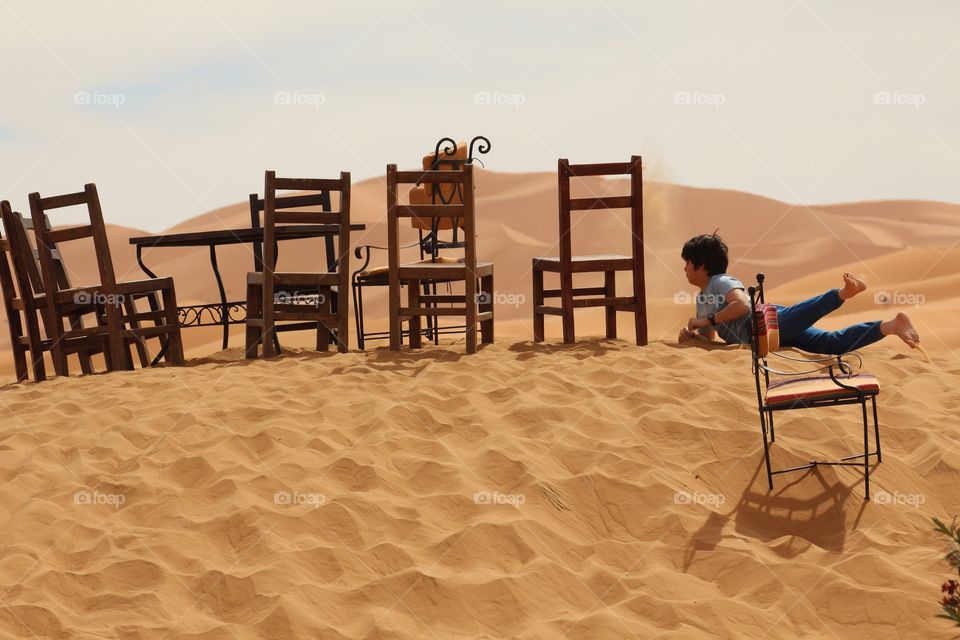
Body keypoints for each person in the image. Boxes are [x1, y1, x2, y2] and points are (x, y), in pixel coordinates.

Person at [676, 233, 920, 354]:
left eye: (687, 263)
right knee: (831, 344)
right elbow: (711, 339)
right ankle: (889, 326)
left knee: (810, 316)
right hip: (766, 339)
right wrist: (694, 337)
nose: (684, 269)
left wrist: (705, 320)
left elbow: (742, 306)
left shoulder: (720, 281)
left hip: (763, 325)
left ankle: (843, 293)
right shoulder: (702, 298)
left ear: (702, 265)